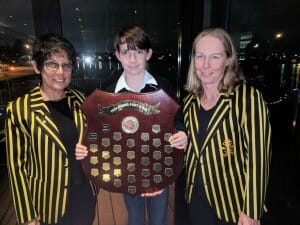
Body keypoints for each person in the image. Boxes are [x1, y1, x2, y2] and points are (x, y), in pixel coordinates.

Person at [75, 25, 188, 225]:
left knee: (159, 219)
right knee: (134, 218)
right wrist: (87, 146)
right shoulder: (110, 91)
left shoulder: (163, 86)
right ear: (118, 55)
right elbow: (101, 131)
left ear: (148, 54)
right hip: (126, 167)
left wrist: (181, 132)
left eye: (138, 52)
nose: (133, 59)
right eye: (126, 52)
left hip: (158, 165)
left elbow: (177, 119)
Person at [182, 27, 272, 225]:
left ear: (228, 60)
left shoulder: (248, 98)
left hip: (233, 203)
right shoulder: (190, 101)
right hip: (196, 198)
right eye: (200, 56)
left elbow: (258, 160)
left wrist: (251, 210)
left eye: (214, 57)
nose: (205, 65)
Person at [5, 34, 98, 225]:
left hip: (84, 193)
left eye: (66, 65)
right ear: (37, 67)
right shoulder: (19, 110)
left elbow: (94, 135)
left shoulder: (79, 98)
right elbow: (17, 168)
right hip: (49, 202)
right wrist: (27, 215)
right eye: (52, 64)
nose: (61, 72)